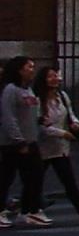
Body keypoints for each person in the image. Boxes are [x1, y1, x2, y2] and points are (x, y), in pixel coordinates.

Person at [34, 64, 79, 222]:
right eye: (50, 76)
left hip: (60, 148)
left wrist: (75, 123)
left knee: (68, 180)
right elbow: (40, 126)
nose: (55, 79)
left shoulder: (62, 96)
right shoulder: (38, 100)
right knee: (35, 180)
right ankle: (26, 208)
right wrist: (62, 133)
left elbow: (70, 113)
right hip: (42, 147)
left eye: (55, 75)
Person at [0, 56, 47, 227]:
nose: (32, 70)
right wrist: (19, 140)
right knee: (7, 177)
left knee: (34, 176)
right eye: (29, 67)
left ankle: (30, 210)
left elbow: (31, 112)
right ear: (20, 70)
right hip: (14, 143)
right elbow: (9, 117)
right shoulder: (11, 90)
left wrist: (40, 120)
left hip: (30, 139)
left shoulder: (28, 90)